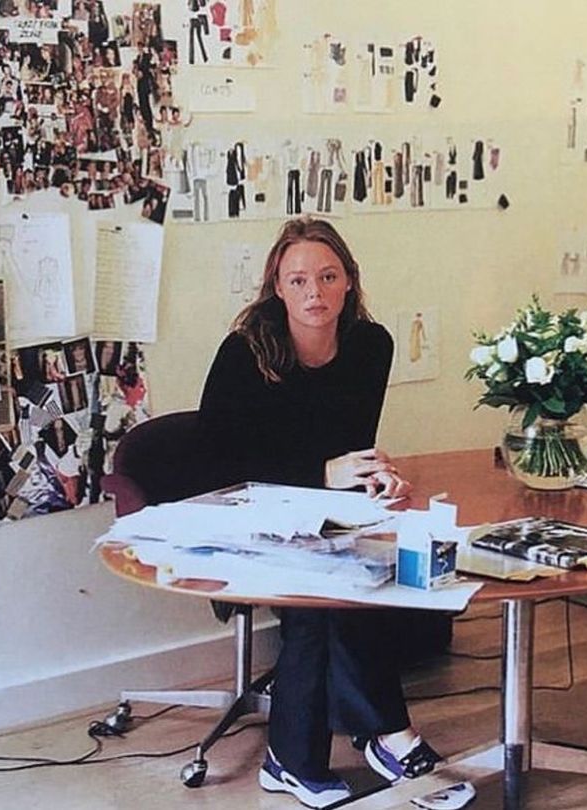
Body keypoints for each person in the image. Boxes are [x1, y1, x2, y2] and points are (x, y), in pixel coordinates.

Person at [199, 217, 440, 808]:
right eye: (299, 279)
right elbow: (220, 465)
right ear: (276, 288)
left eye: (328, 277)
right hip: (234, 510)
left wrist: (373, 474)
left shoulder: (370, 345)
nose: (315, 293)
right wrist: (320, 475)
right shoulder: (245, 353)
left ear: (350, 283)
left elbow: (348, 444)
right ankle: (377, 737)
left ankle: (307, 757)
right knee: (317, 597)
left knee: (359, 574)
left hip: (320, 511)